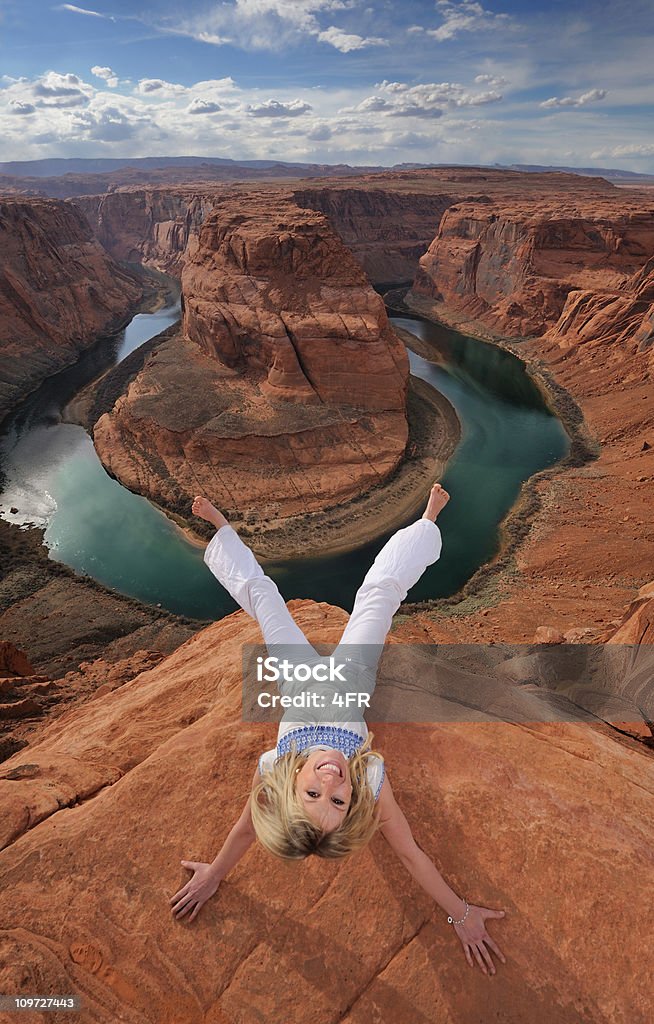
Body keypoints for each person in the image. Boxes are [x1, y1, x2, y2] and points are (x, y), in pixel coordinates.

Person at [170, 484, 507, 977]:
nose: (331, 783)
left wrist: (215, 874)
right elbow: (410, 853)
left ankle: (222, 531)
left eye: (313, 792)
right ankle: (428, 523)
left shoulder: (273, 769)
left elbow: (247, 827)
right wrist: (461, 914)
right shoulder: (368, 777)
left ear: (291, 784)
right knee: (378, 594)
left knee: (266, 601)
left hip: (299, 677)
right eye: (337, 801)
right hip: (350, 678)